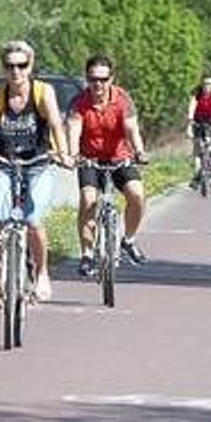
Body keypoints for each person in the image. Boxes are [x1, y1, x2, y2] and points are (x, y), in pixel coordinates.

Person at [0, 40, 72, 307]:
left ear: (30, 65)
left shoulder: (42, 92)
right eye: (9, 66)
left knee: (33, 219)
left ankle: (42, 273)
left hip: (38, 164)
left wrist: (64, 153)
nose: (16, 71)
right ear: (3, 68)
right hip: (5, 163)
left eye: (21, 65)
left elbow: (57, 125)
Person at [67, 53, 151, 276]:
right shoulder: (79, 102)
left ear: (111, 79)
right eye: (93, 79)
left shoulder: (122, 99)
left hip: (119, 157)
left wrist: (139, 151)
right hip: (89, 159)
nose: (98, 84)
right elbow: (73, 130)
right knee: (88, 200)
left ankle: (129, 240)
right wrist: (72, 155)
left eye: (103, 79)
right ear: (87, 79)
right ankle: (86, 254)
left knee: (137, 195)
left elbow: (132, 129)